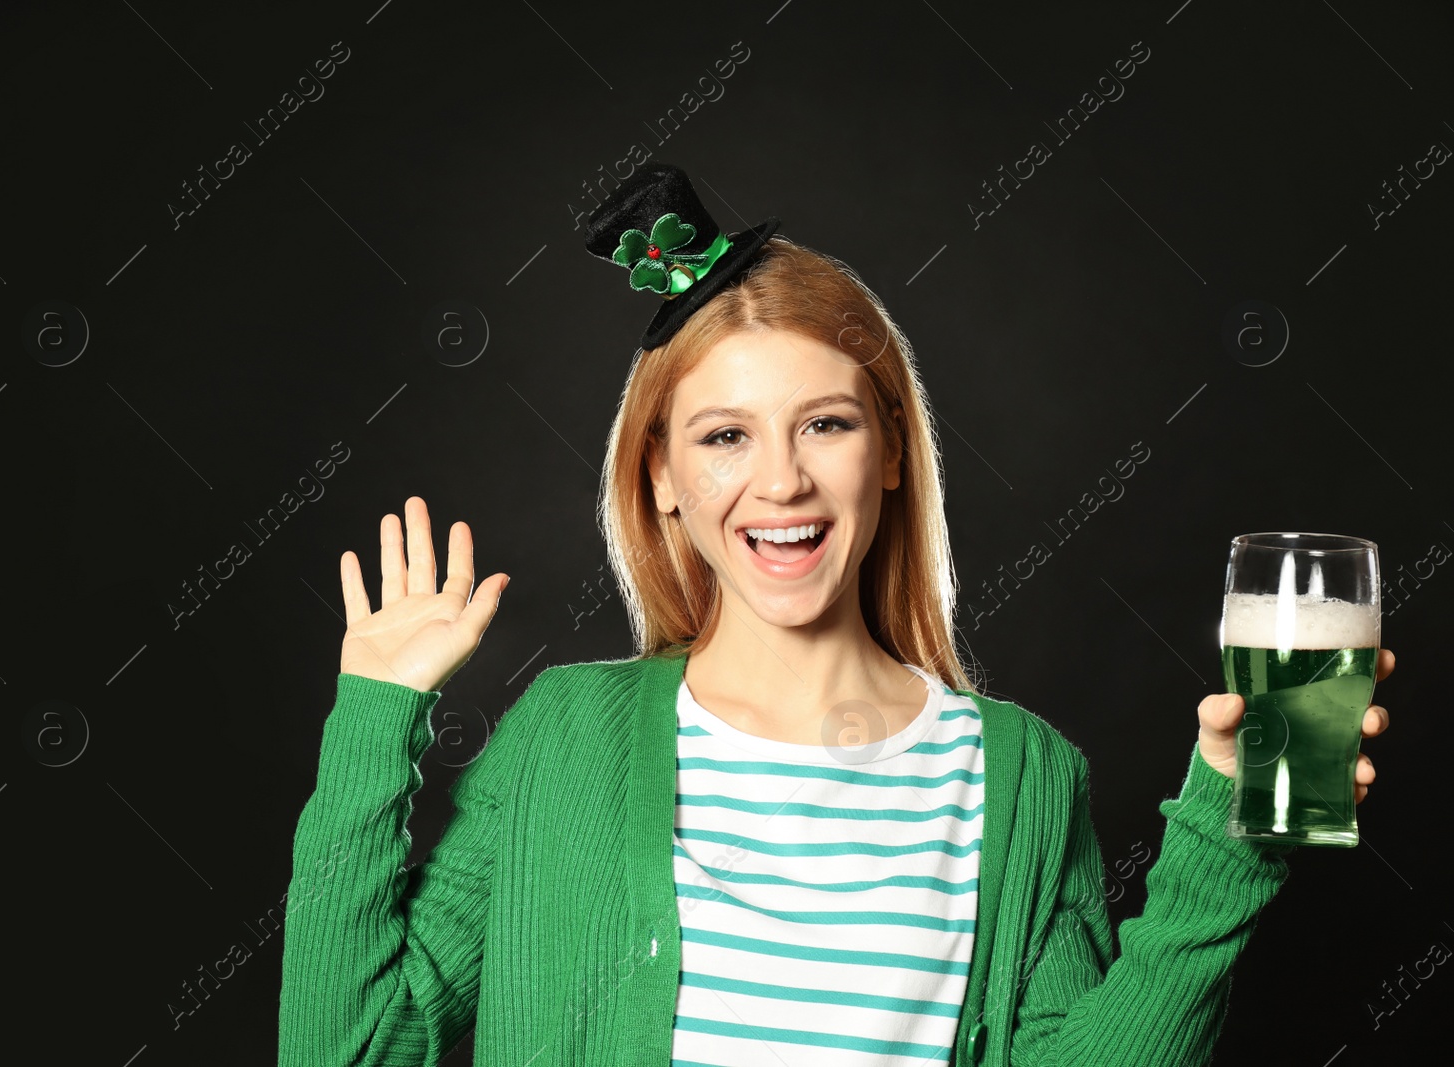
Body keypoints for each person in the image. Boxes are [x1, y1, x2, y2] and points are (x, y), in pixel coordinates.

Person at [276, 163, 1394, 1067]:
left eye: (825, 424)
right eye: (724, 435)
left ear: (893, 451)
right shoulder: (563, 735)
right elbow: (352, 1046)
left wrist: (1233, 837)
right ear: (659, 475)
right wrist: (375, 719)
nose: (780, 483)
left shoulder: (1019, 772)